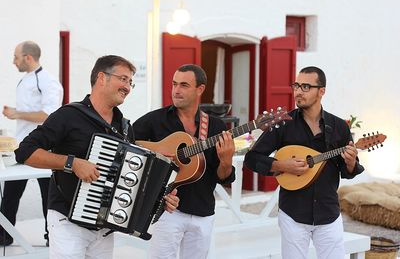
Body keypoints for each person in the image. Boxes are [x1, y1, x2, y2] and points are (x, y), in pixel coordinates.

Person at [14, 55, 179, 258]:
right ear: (102, 77)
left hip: (104, 229)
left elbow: (132, 182)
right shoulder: (68, 115)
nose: (128, 87)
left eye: (130, 82)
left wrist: (160, 200)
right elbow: (25, 152)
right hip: (67, 222)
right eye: (123, 79)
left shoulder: (125, 128)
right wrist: (71, 163)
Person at [244, 66, 365, 259]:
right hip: (293, 213)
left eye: (306, 86)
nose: (298, 91)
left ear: (321, 91)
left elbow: (347, 170)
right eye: (296, 85)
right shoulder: (283, 123)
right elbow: (252, 158)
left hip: (328, 213)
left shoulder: (339, 126)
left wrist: (350, 162)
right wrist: (281, 166)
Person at [133, 64, 236, 259]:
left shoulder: (215, 126)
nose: (176, 90)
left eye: (184, 85)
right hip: (166, 211)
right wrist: (158, 155)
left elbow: (224, 178)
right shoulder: (154, 121)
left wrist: (226, 160)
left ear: (200, 89)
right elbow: (129, 145)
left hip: (203, 211)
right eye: (174, 84)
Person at [1, 41, 63, 246]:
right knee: (10, 194)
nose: (13, 61)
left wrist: (16, 113)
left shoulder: (48, 81)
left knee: (48, 195)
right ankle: (4, 235)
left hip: (42, 148)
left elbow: (49, 115)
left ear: (28, 57)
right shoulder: (25, 80)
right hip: (20, 147)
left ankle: (51, 237)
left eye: (16, 57)